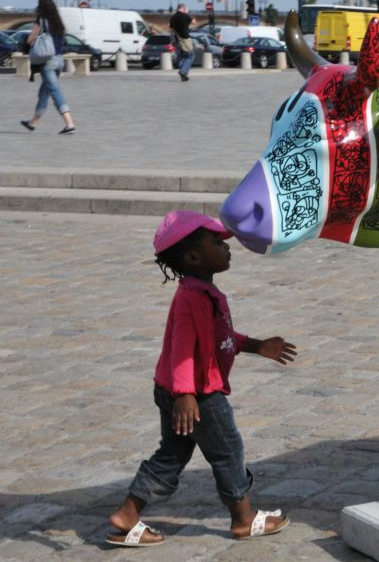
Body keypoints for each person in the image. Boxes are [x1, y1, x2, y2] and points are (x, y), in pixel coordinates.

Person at [106, 211, 297, 547]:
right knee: (228, 449)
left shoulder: (202, 292)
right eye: (216, 243)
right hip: (198, 394)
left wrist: (256, 346)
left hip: (177, 390)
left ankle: (128, 514)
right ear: (193, 257)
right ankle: (243, 518)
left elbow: (218, 338)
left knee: (173, 453)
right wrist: (185, 393)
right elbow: (182, 349)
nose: (227, 247)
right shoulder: (192, 298)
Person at [19, 0, 76, 135]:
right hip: (59, 61)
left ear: (41, 7)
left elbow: (30, 39)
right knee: (44, 92)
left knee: (55, 92)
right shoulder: (58, 22)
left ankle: (69, 124)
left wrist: (30, 40)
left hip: (48, 63)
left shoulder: (41, 21)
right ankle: (32, 123)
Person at [169, 4, 196, 81]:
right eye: (186, 9)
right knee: (190, 56)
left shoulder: (173, 17)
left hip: (176, 40)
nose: (187, 10)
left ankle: (183, 74)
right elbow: (193, 22)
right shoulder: (185, 15)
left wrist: (172, 40)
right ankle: (183, 71)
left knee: (181, 56)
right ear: (183, 8)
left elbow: (171, 29)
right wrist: (190, 16)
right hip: (185, 39)